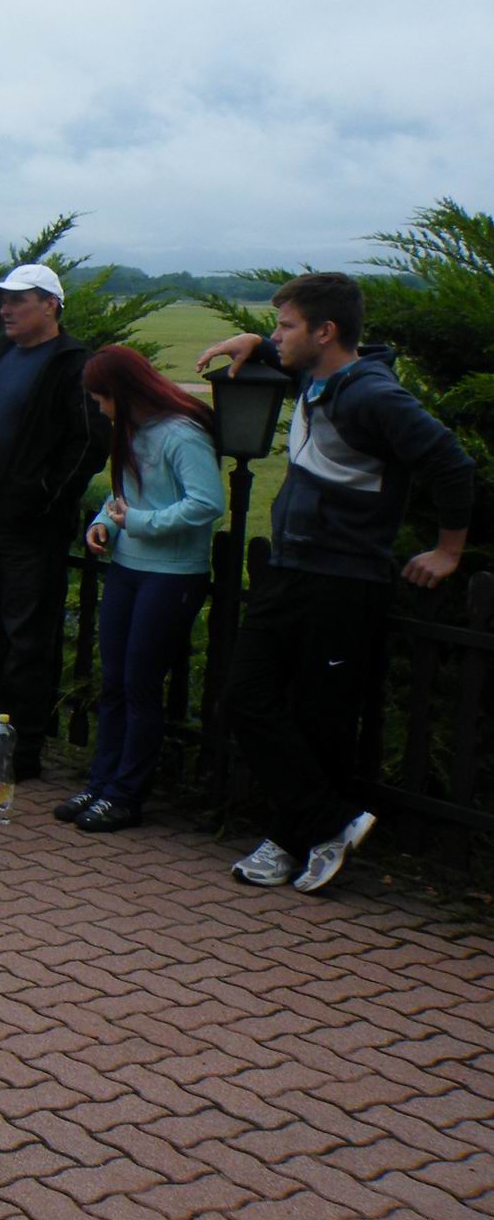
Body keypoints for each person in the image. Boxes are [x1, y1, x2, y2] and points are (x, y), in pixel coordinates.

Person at [198, 272, 474, 893]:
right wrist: (254, 342)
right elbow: (282, 353)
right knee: (245, 697)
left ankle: (292, 840)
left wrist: (448, 550)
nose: (276, 336)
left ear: (325, 331)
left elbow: (450, 462)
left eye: (285, 326)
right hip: (291, 568)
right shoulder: (317, 376)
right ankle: (331, 822)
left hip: (345, 578)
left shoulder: (372, 395)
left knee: (321, 719)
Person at [0, 262, 107, 785]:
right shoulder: (2, 354)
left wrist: (43, 500)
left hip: (30, 530)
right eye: (2, 301)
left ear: (51, 305)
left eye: (17, 300)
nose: (5, 310)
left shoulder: (72, 365)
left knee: (26, 639)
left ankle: (21, 749)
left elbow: (88, 443)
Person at [56, 346, 225, 834]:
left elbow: (206, 503)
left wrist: (140, 523)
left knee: (139, 684)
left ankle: (126, 795)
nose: (101, 409)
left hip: (171, 574)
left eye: (103, 399)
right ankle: (101, 783)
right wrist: (103, 522)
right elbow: (123, 494)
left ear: (125, 392)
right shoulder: (133, 430)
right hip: (128, 568)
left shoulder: (182, 433)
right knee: (114, 681)